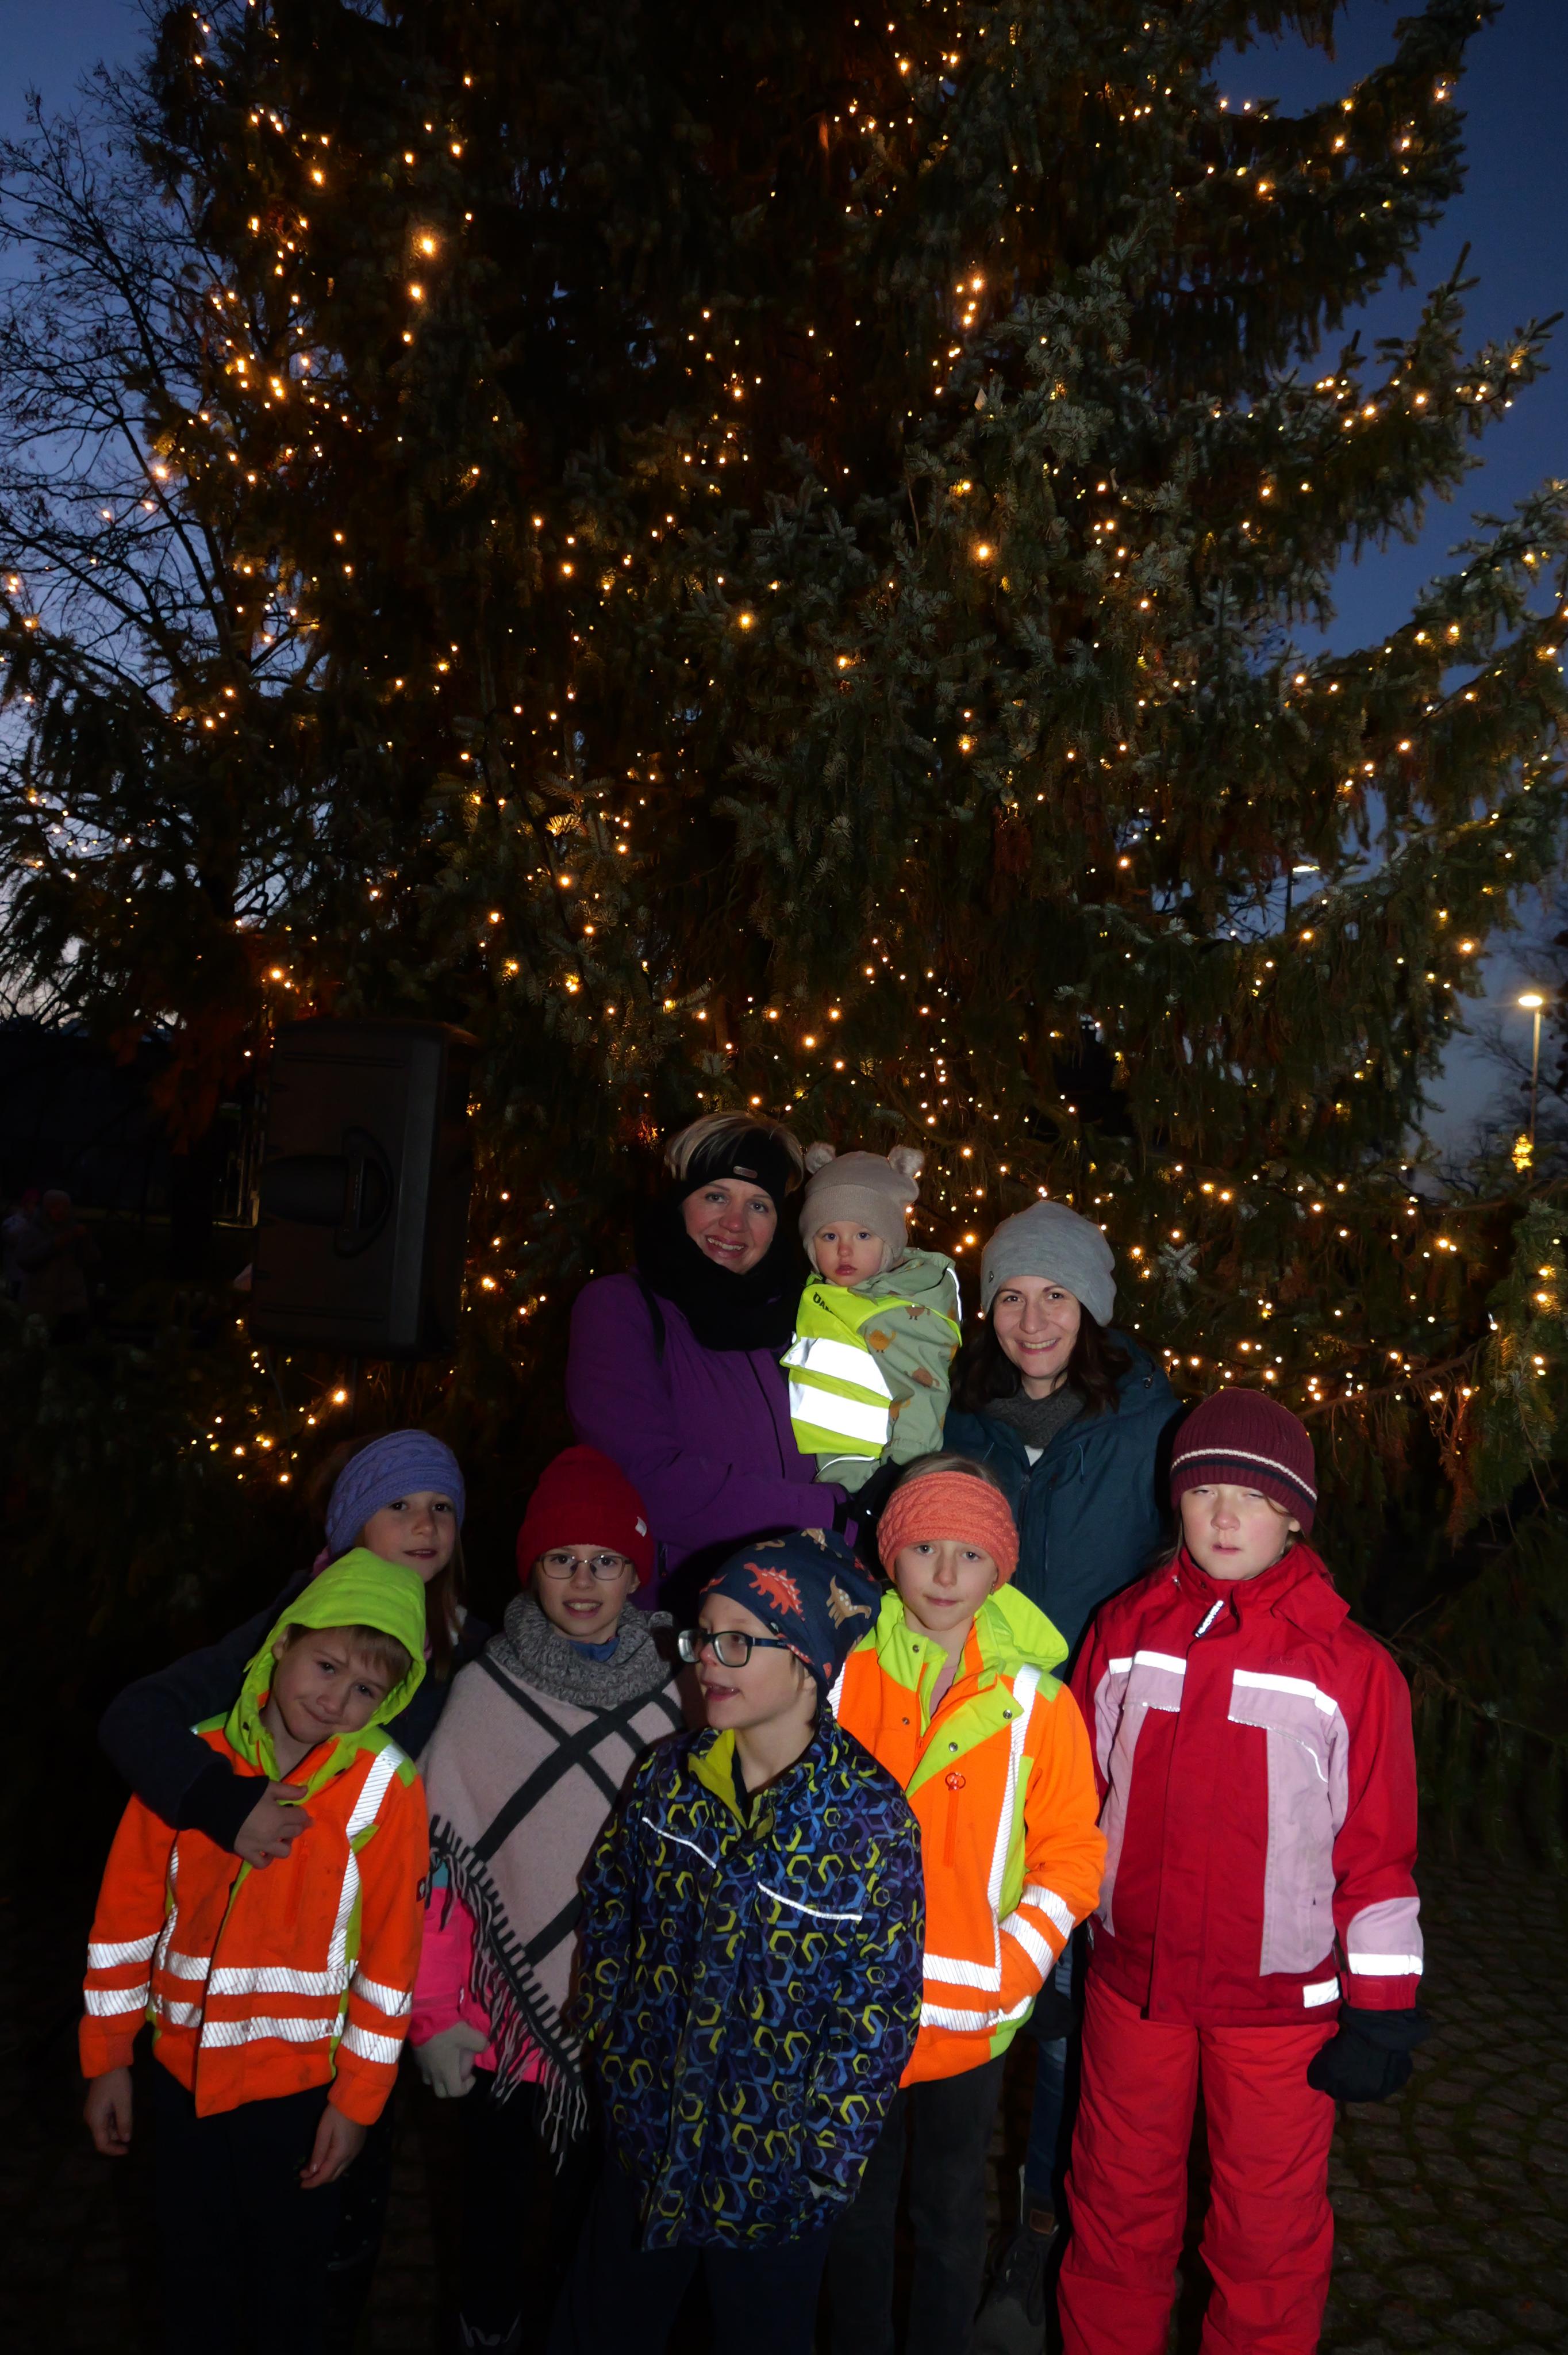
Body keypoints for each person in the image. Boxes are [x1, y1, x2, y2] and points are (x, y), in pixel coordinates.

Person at [1056, 1390, 1428, 2355]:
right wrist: (1045, 1936)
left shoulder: (1349, 1669)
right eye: (1204, 1492)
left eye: (1254, 1498)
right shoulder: (1125, 1630)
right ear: (1174, 1502)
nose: (1225, 1517)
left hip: (1278, 2011)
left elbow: (1377, 1853)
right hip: (1133, 1991)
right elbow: (1072, 1802)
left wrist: (1382, 2008)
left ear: (1294, 1516)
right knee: (1113, 2211)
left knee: (1266, 2237)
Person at [95, 1426, 480, 2331]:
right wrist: (223, 1804)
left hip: (339, 2036)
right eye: (398, 1505)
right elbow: (136, 1724)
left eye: (442, 1509)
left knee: (321, 2260)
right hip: (200, 2049)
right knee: (202, 2274)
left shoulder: (474, 1645)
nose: (425, 1526)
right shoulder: (292, 1630)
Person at [550, 1529, 925, 2355]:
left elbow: (880, 2009)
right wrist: (613, 2035)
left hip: (773, 2180)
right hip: (648, 2144)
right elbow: (611, 1898)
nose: (706, 1663)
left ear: (809, 1663)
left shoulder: (869, 1821)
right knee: (603, 2327)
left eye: (738, 1642)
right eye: (702, 1638)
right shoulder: (666, 1779)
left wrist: (823, 2161)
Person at [946, 1199, 1178, 2341]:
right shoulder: (952, 1418)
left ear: (1091, 1308)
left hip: (1088, 1764)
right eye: (1009, 1295)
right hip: (965, 1750)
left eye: (1054, 1295)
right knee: (958, 1979)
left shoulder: (1151, 1427)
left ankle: (1040, 2230)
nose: (1031, 1319)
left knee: (1064, 2011)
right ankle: (938, 2221)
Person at [409, 1445, 694, 2355]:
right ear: (530, 1568)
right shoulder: (484, 1691)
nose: (583, 1581)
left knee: (597, 2215)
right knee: (493, 2207)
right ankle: (486, 2332)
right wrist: (435, 2012)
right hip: (501, 2023)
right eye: (562, 1559)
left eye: (607, 1561)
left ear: (636, 1574)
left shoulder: (680, 1695)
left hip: (629, 2017)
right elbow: (443, 1865)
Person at [826, 1457, 1106, 2355]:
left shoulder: (1040, 1703)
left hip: (969, 2024)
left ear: (1001, 1568)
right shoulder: (839, 1673)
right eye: (924, 1549)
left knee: (949, 2214)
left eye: (971, 1555)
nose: (946, 1575)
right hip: (846, 2011)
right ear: (889, 1555)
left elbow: (1072, 1853)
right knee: (854, 2215)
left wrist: (1013, 1968)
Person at [566, 1112, 841, 1592]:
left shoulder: (803, 1316)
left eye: (759, 1205)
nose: (734, 1223)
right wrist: (831, 1512)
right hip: (683, 1613)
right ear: (680, 1203)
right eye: (716, 1196)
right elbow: (648, 1480)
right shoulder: (620, 1308)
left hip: (801, 1604)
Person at [784, 1144, 962, 1491]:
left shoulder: (896, 1311)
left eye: (863, 1235)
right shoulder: (818, 1293)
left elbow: (923, 1397)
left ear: (890, 1243)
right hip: (816, 1468)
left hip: (868, 1474)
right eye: (829, 1236)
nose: (844, 1250)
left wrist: (895, 1478)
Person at [17, 1184, 100, 1338]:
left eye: (65, 1207)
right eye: (55, 1207)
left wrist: (85, 1240)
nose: (60, 1211)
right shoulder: (33, 1232)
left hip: (71, 1307)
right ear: (46, 1209)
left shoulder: (75, 1232)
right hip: (39, 1306)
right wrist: (54, 1245)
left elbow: (91, 1259)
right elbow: (25, 1260)